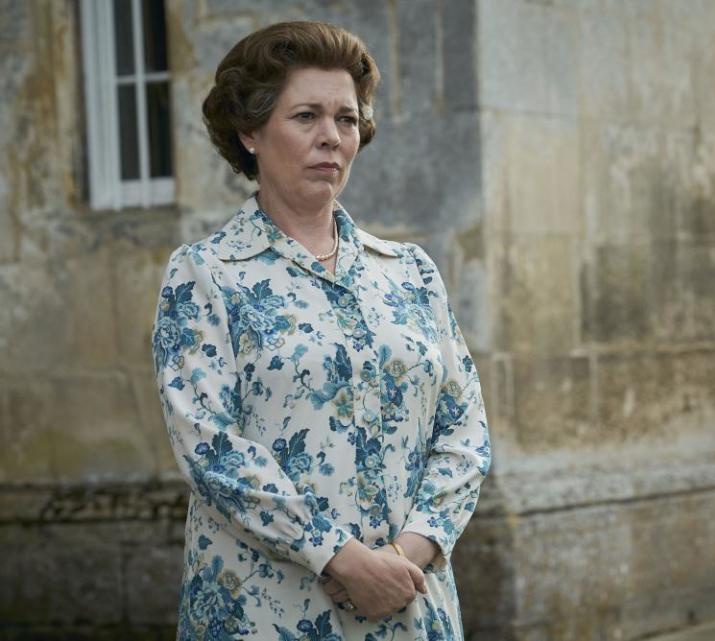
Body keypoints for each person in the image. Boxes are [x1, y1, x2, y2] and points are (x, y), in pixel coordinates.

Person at [152, 21, 490, 640]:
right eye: (306, 116)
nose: (331, 137)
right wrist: (338, 556)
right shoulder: (205, 275)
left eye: (347, 118)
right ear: (250, 131)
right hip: (264, 613)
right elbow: (211, 449)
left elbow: (465, 432)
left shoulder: (411, 272)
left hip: (412, 608)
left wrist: (405, 557)